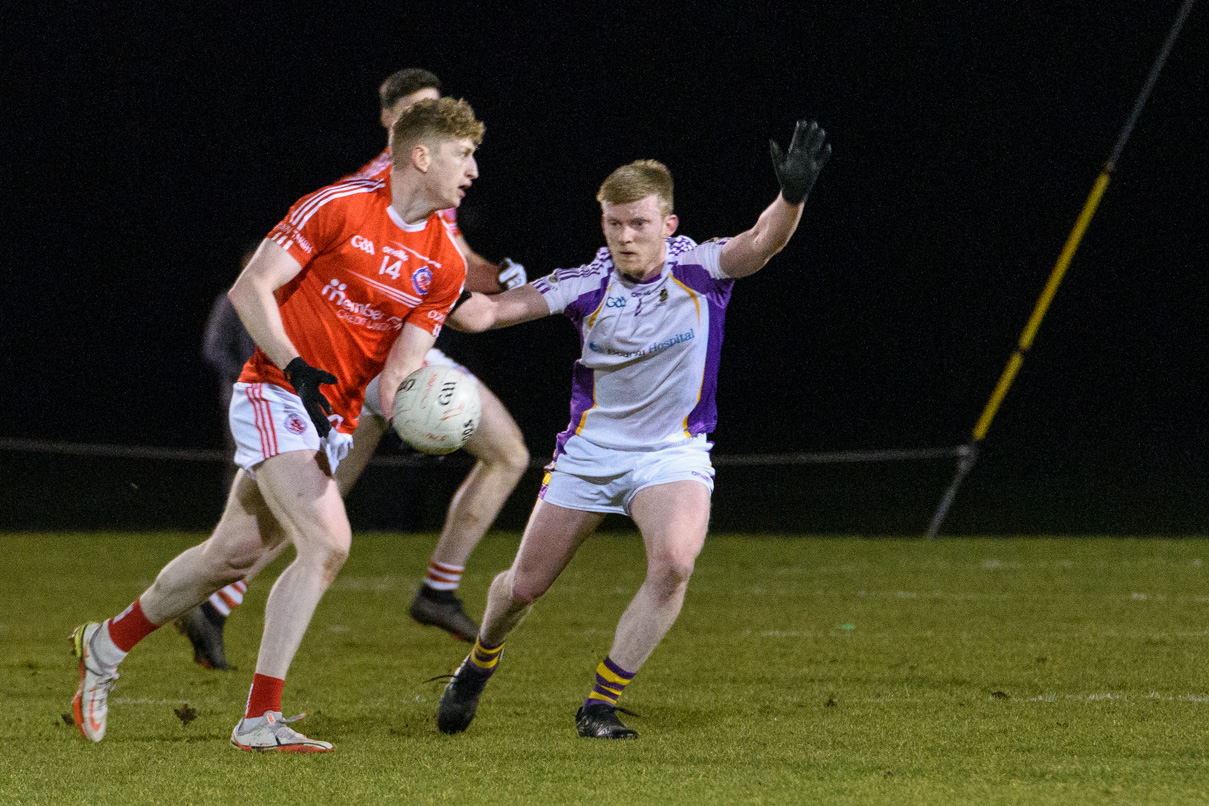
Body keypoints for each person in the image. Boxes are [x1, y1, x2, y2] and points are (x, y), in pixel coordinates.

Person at [70, 97, 485, 752]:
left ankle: (106, 643)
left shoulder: (447, 264)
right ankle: (260, 719)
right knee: (328, 542)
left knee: (228, 556)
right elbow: (251, 288)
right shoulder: (338, 207)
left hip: (331, 420)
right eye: (464, 156)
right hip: (273, 392)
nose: (473, 173)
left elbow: (400, 367)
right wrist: (294, 366)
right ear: (422, 155)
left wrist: (421, 411)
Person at [435, 119, 831, 739]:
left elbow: (761, 243)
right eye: (614, 224)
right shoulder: (585, 284)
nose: (625, 237)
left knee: (674, 562)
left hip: (671, 454)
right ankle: (479, 662)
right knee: (523, 588)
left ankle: (599, 702)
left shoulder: (702, 268)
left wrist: (792, 197)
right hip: (590, 454)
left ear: (667, 226)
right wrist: (433, 292)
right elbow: (487, 313)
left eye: (639, 224)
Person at [176, 69, 530, 670]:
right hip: (363, 358)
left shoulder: (432, 197)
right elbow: (277, 277)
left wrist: (509, 282)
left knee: (500, 456)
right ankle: (433, 590)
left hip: (401, 348)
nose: (439, 120)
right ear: (398, 126)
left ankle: (217, 606)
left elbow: (458, 272)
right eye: (423, 112)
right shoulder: (369, 190)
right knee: (315, 510)